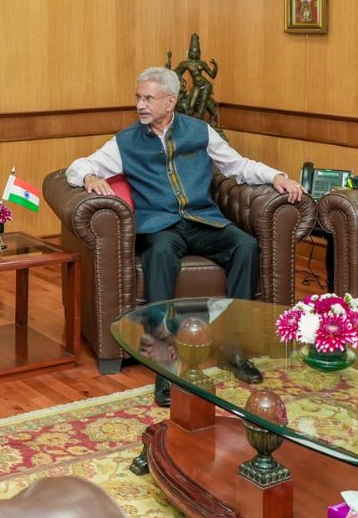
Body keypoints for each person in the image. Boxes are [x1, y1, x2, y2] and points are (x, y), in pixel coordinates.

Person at [66, 67, 305, 406]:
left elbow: (238, 166)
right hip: (158, 227)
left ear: (171, 101)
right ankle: (164, 365)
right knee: (160, 256)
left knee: (246, 246)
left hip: (202, 220)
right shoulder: (125, 141)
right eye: (138, 97)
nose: (140, 105)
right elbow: (75, 168)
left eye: (148, 98)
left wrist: (276, 175)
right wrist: (89, 175)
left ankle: (232, 347)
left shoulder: (200, 131)